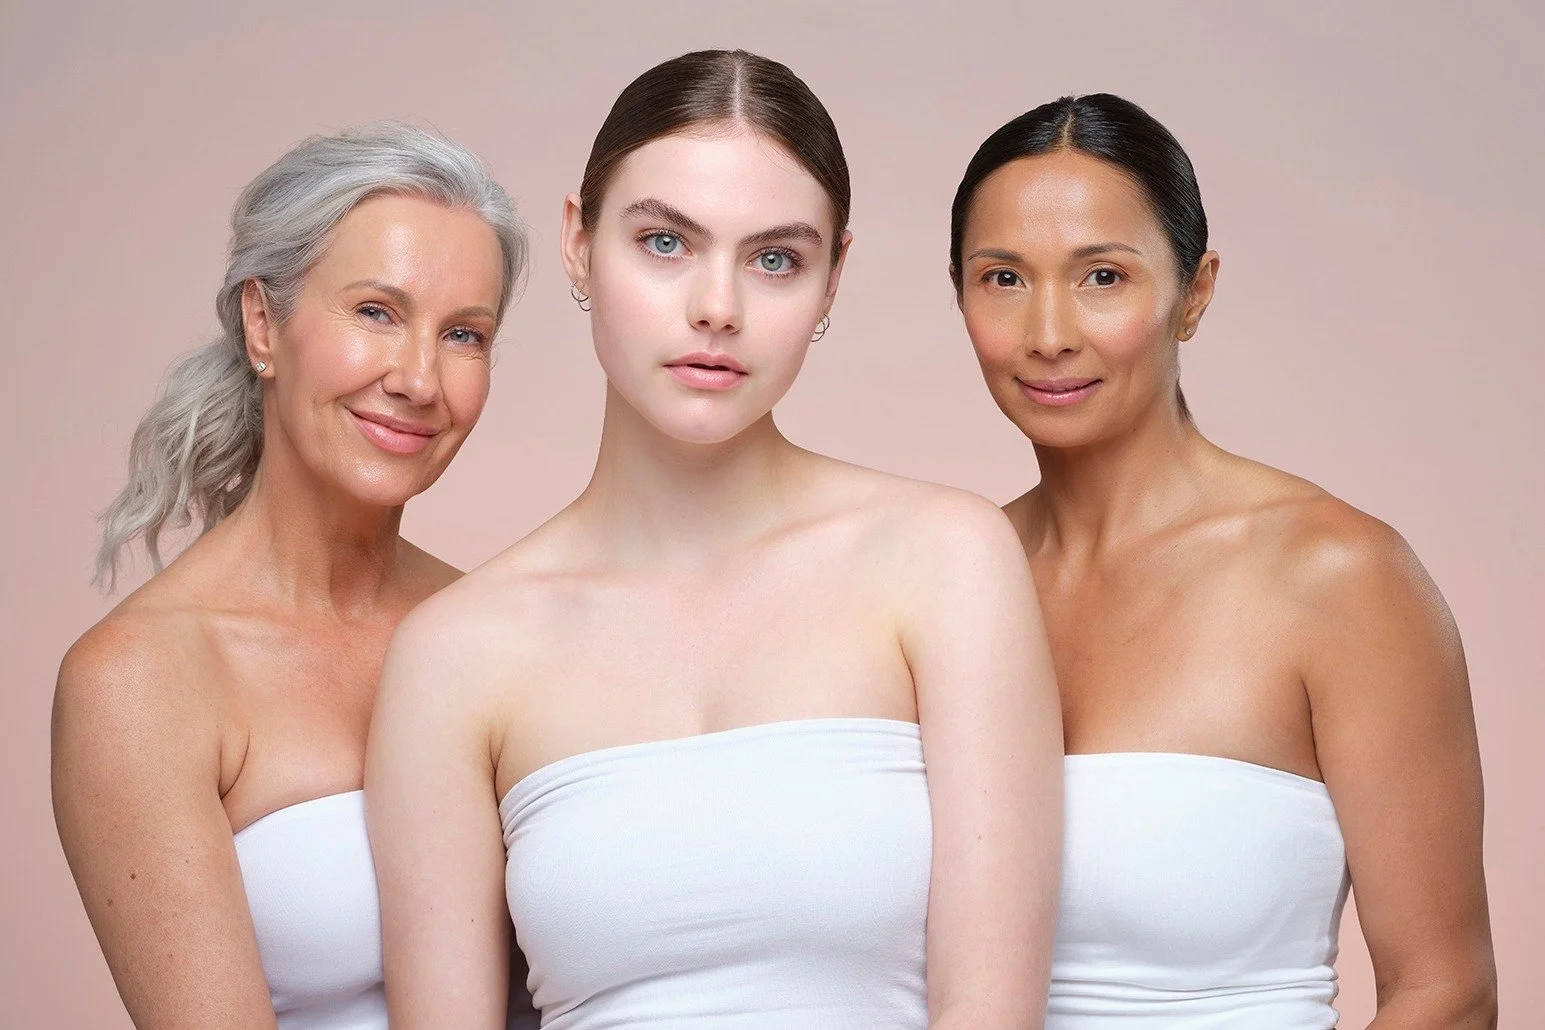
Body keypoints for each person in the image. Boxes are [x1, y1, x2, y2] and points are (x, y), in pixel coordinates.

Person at [367, 49, 1064, 1029]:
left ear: (832, 280)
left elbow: (993, 1010)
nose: (718, 308)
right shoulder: (454, 654)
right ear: (578, 241)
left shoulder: (944, 559)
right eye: (665, 243)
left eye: (776, 258)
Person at [950, 93, 1498, 1028]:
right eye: (1003, 278)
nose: (1047, 333)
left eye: (1102, 277)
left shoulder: (1336, 577)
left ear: (1193, 292)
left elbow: (1444, 992)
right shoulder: (949, 577)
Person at [52, 122, 531, 1028]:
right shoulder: (142, 682)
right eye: (376, 312)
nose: (420, 378)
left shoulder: (498, 627)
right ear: (263, 322)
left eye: (464, 334)